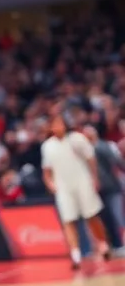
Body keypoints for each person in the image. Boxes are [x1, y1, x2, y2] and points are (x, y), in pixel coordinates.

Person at [41, 115, 109, 268]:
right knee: (68, 220)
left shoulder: (77, 139)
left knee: (91, 216)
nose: (58, 126)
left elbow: (91, 159)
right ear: (51, 127)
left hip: (83, 181)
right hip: (63, 187)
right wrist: (51, 185)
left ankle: (103, 244)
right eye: (55, 124)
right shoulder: (47, 146)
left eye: (60, 123)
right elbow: (46, 171)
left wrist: (94, 178)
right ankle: (76, 255)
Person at [83, 125, 125, 257]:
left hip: (111, 187)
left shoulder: (102, 146)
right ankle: (114, 244)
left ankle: (119, 244)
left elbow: (116, 162)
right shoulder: (88, 150)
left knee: (116, 216)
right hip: (98, 188)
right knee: (106, 218)